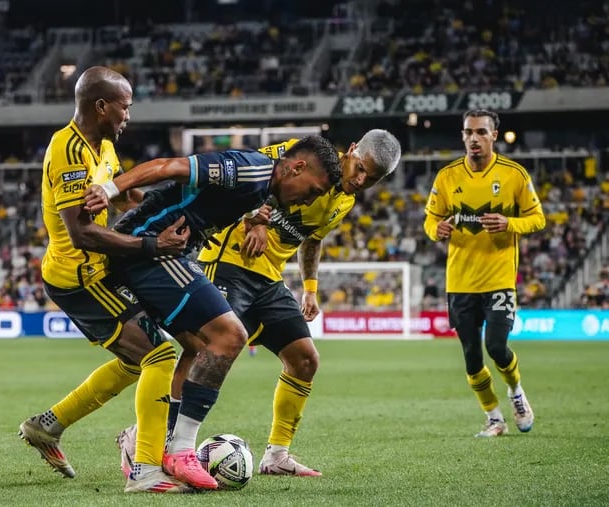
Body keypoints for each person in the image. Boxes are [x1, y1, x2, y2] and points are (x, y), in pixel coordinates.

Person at [115, 130, 402, 478]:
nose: (360, 180)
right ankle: (149, 438)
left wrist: (310, 287)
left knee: (305, 359)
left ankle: (277, 455)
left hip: (269, 280)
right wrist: (257, 218)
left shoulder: (343, 201)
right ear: (352, 149)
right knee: (207, 348)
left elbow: (312, 240)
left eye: (371, 179)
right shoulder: (301, 155)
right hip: (228, 260)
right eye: (360, 169)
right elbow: (254, 176)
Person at [85, 135, 342, 489]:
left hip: (165, 253)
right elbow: (169, 167)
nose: (309, 200)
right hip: (147, 254)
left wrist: (256, 222)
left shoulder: (262, 191)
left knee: (194, 346)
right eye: (312, 189)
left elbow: (185, 200)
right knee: (228, 336)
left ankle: (146, 441)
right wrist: (110, 188)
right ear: (296, 167)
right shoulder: (249, 170)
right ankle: (179, 450)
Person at [17, 66, 194, 494]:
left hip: (102, 269)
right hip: (79, 276)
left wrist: (173, 200)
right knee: (159, 357)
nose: (129, 115)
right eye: (125, 106)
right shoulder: (67, 150)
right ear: (101, 106)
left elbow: (124, 196)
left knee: (142, 360)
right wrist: (153, 246)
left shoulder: (105, 147)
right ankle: (145, 470)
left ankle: (48, 426)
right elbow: (82, 232)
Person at [423, 109, 545, 437]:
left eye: (480, 132)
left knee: (497, 347)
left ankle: (516, 392)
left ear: (494, 135)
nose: (473, 139)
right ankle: (494, 418)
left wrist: (510, 223)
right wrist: (438, 230)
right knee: (471, 358)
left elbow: (538, 218)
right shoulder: (447, 176)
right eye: (468, 133)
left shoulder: (514, 174)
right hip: (460, 281)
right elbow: (430, 220)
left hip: (499, 278)